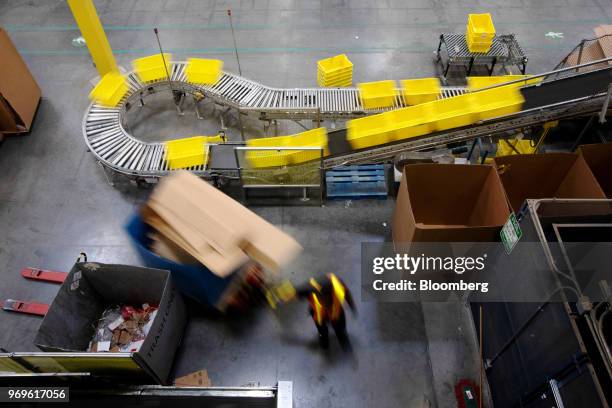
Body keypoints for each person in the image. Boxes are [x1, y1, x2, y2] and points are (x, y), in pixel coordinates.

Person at [297, 273, 356, 349]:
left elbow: (347, 295)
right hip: (319, 315)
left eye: (327, 300)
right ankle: (325, 344)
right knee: (322, 331)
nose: (325, 302)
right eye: (322, 298)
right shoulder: (308, 288)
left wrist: (352, 307)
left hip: (336, 315)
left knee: (340, 330)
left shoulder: (338, 286)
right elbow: (293, 292)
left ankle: (343, 342)